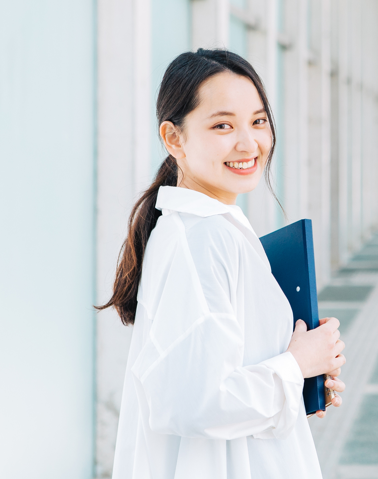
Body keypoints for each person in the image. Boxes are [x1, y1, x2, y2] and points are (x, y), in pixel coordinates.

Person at [96, 48, 346, 479]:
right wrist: (295, 366)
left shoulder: (213, 229)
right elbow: (195, 402)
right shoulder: (202, 238)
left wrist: (300, 378)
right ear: (174, 138)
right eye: (222, 126)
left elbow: (216, 382)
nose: (248, 143)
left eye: (259, 121)